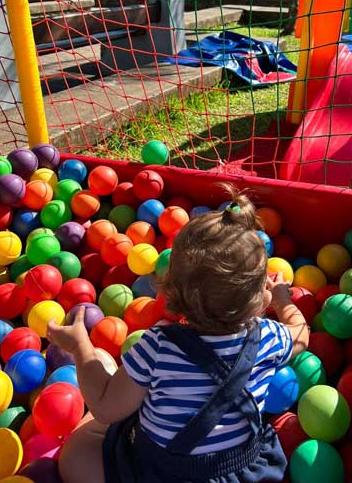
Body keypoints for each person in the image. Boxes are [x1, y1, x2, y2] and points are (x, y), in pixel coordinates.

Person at [47, 187, 309, 483]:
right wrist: (283, 301)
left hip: (160, 473)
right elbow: (302, 335)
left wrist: (81, 346)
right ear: (260, 301)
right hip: (238, 474)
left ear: (169, 292)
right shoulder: (269, 338)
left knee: (78, 451)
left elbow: (106, 407)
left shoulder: (159, 346)